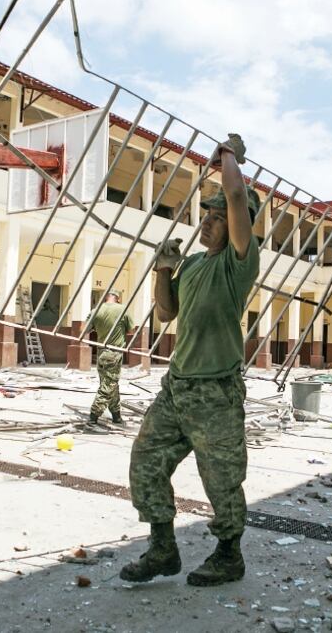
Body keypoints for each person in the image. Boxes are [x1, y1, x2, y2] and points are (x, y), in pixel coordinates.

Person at [120, 134, 260, 588]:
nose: (209, 223)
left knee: (220, 479)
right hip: (177, 387)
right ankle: (163, 547)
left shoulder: (239, 262)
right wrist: (163, 268)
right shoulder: (197, 264)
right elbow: (165, 312)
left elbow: (237, 193)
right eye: (207, 215)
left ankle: (228, 554)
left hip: (216, 392)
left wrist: (230, 157)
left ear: (237, 225)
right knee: (145, 461)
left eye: (220, 218)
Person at [86, 291, 133, 424]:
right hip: (115, 353)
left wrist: (100, 327)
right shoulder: (123, 309)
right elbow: (131, 330)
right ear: (118, 299)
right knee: (108, 385)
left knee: (111, 384)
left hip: (101, 352)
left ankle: (116, 415)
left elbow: (84, 330)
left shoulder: (96, 310)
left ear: (106, 297)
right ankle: (93, 418)